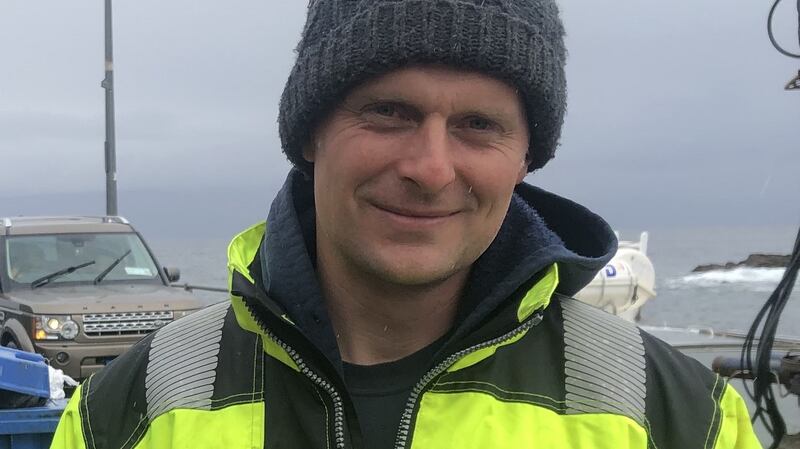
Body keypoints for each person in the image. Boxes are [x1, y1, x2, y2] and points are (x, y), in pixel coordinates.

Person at [51, 1, 761, 448]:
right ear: (310, 133)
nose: (430, 166)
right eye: (389, 111)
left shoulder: (678, 416)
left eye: (478, 125)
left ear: (523, 159)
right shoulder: (133, 408)